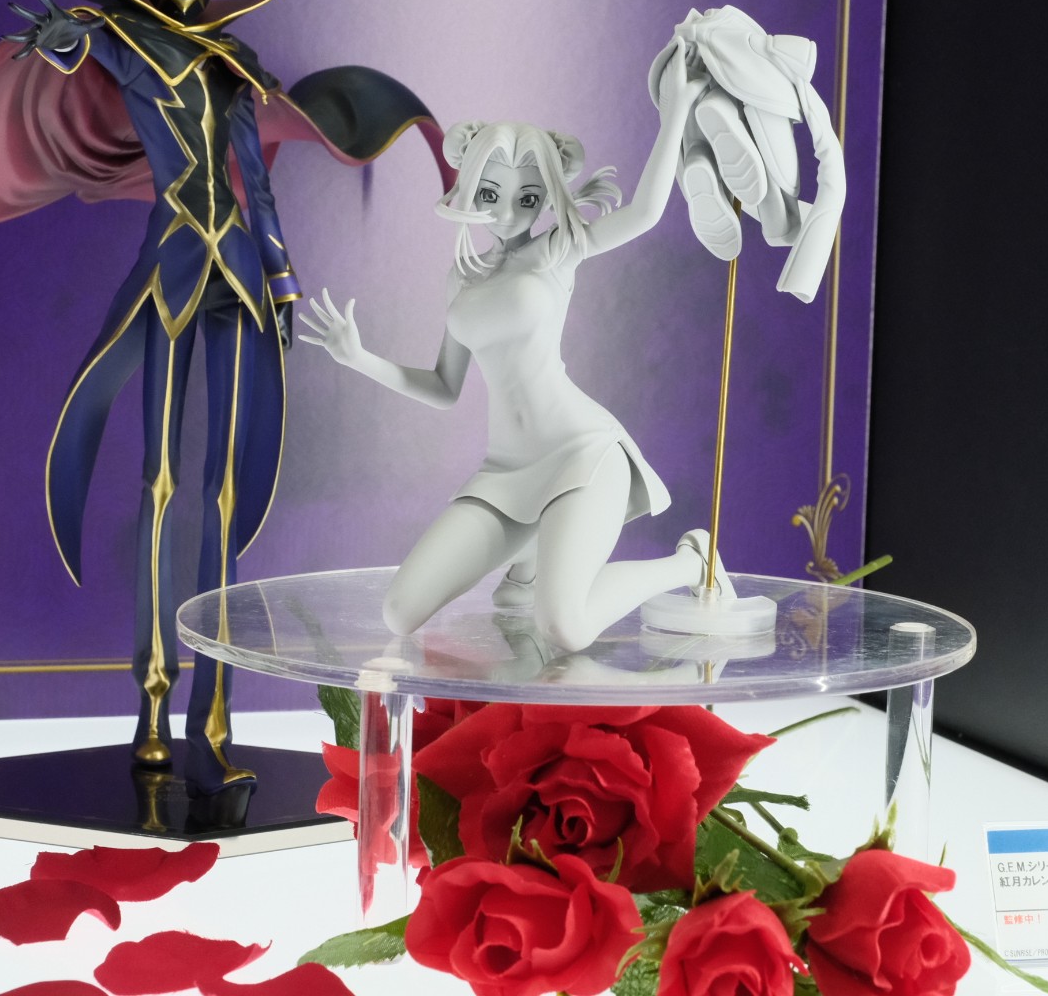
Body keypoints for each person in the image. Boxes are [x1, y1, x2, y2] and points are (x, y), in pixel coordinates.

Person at [298, 49, 735, 653]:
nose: (507, 213)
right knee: (400, 612)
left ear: (546, 199)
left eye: (527, 199)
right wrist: (360, 358)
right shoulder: (463, 277)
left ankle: (690, 562)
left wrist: (678, 108)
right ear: (470, 188)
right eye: (491, 194)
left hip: (579, 453)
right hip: (505, 471)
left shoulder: (557, 251)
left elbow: (644, 213)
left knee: (566, 627)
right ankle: (526, 563)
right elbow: (444, 387)